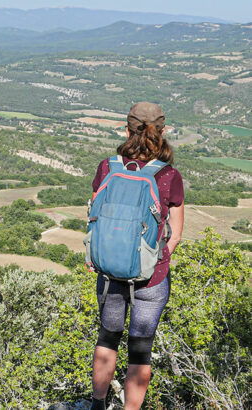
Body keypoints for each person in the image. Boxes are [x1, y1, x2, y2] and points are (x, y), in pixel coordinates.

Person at [89, 102, 185, 410]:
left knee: (107, 338)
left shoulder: (108, 167)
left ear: (126, 128)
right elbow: (177, 234)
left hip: (110, 273)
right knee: (140, 348)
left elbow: (94, 214)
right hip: (151, 280)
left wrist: (103, 257)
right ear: (164, 130)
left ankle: (97, 404)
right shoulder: (169, 175)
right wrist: (155, 263)